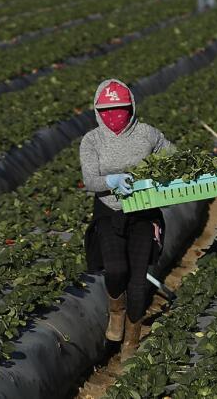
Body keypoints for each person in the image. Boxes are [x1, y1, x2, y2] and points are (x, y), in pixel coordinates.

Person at [80, 79, 173, 351]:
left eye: (120, 108)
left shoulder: (147, 134)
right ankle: (116, 312)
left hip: (144, 213)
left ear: (131, 106)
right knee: (117, 269)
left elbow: (173, 156)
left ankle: (132, 339)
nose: (114, 115)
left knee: (137, 283)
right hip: (109, 212)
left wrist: (160, 173)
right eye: (107, 110)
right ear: (97, 111)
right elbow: (89, 180)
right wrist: (112, 181)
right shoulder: (92, 140)